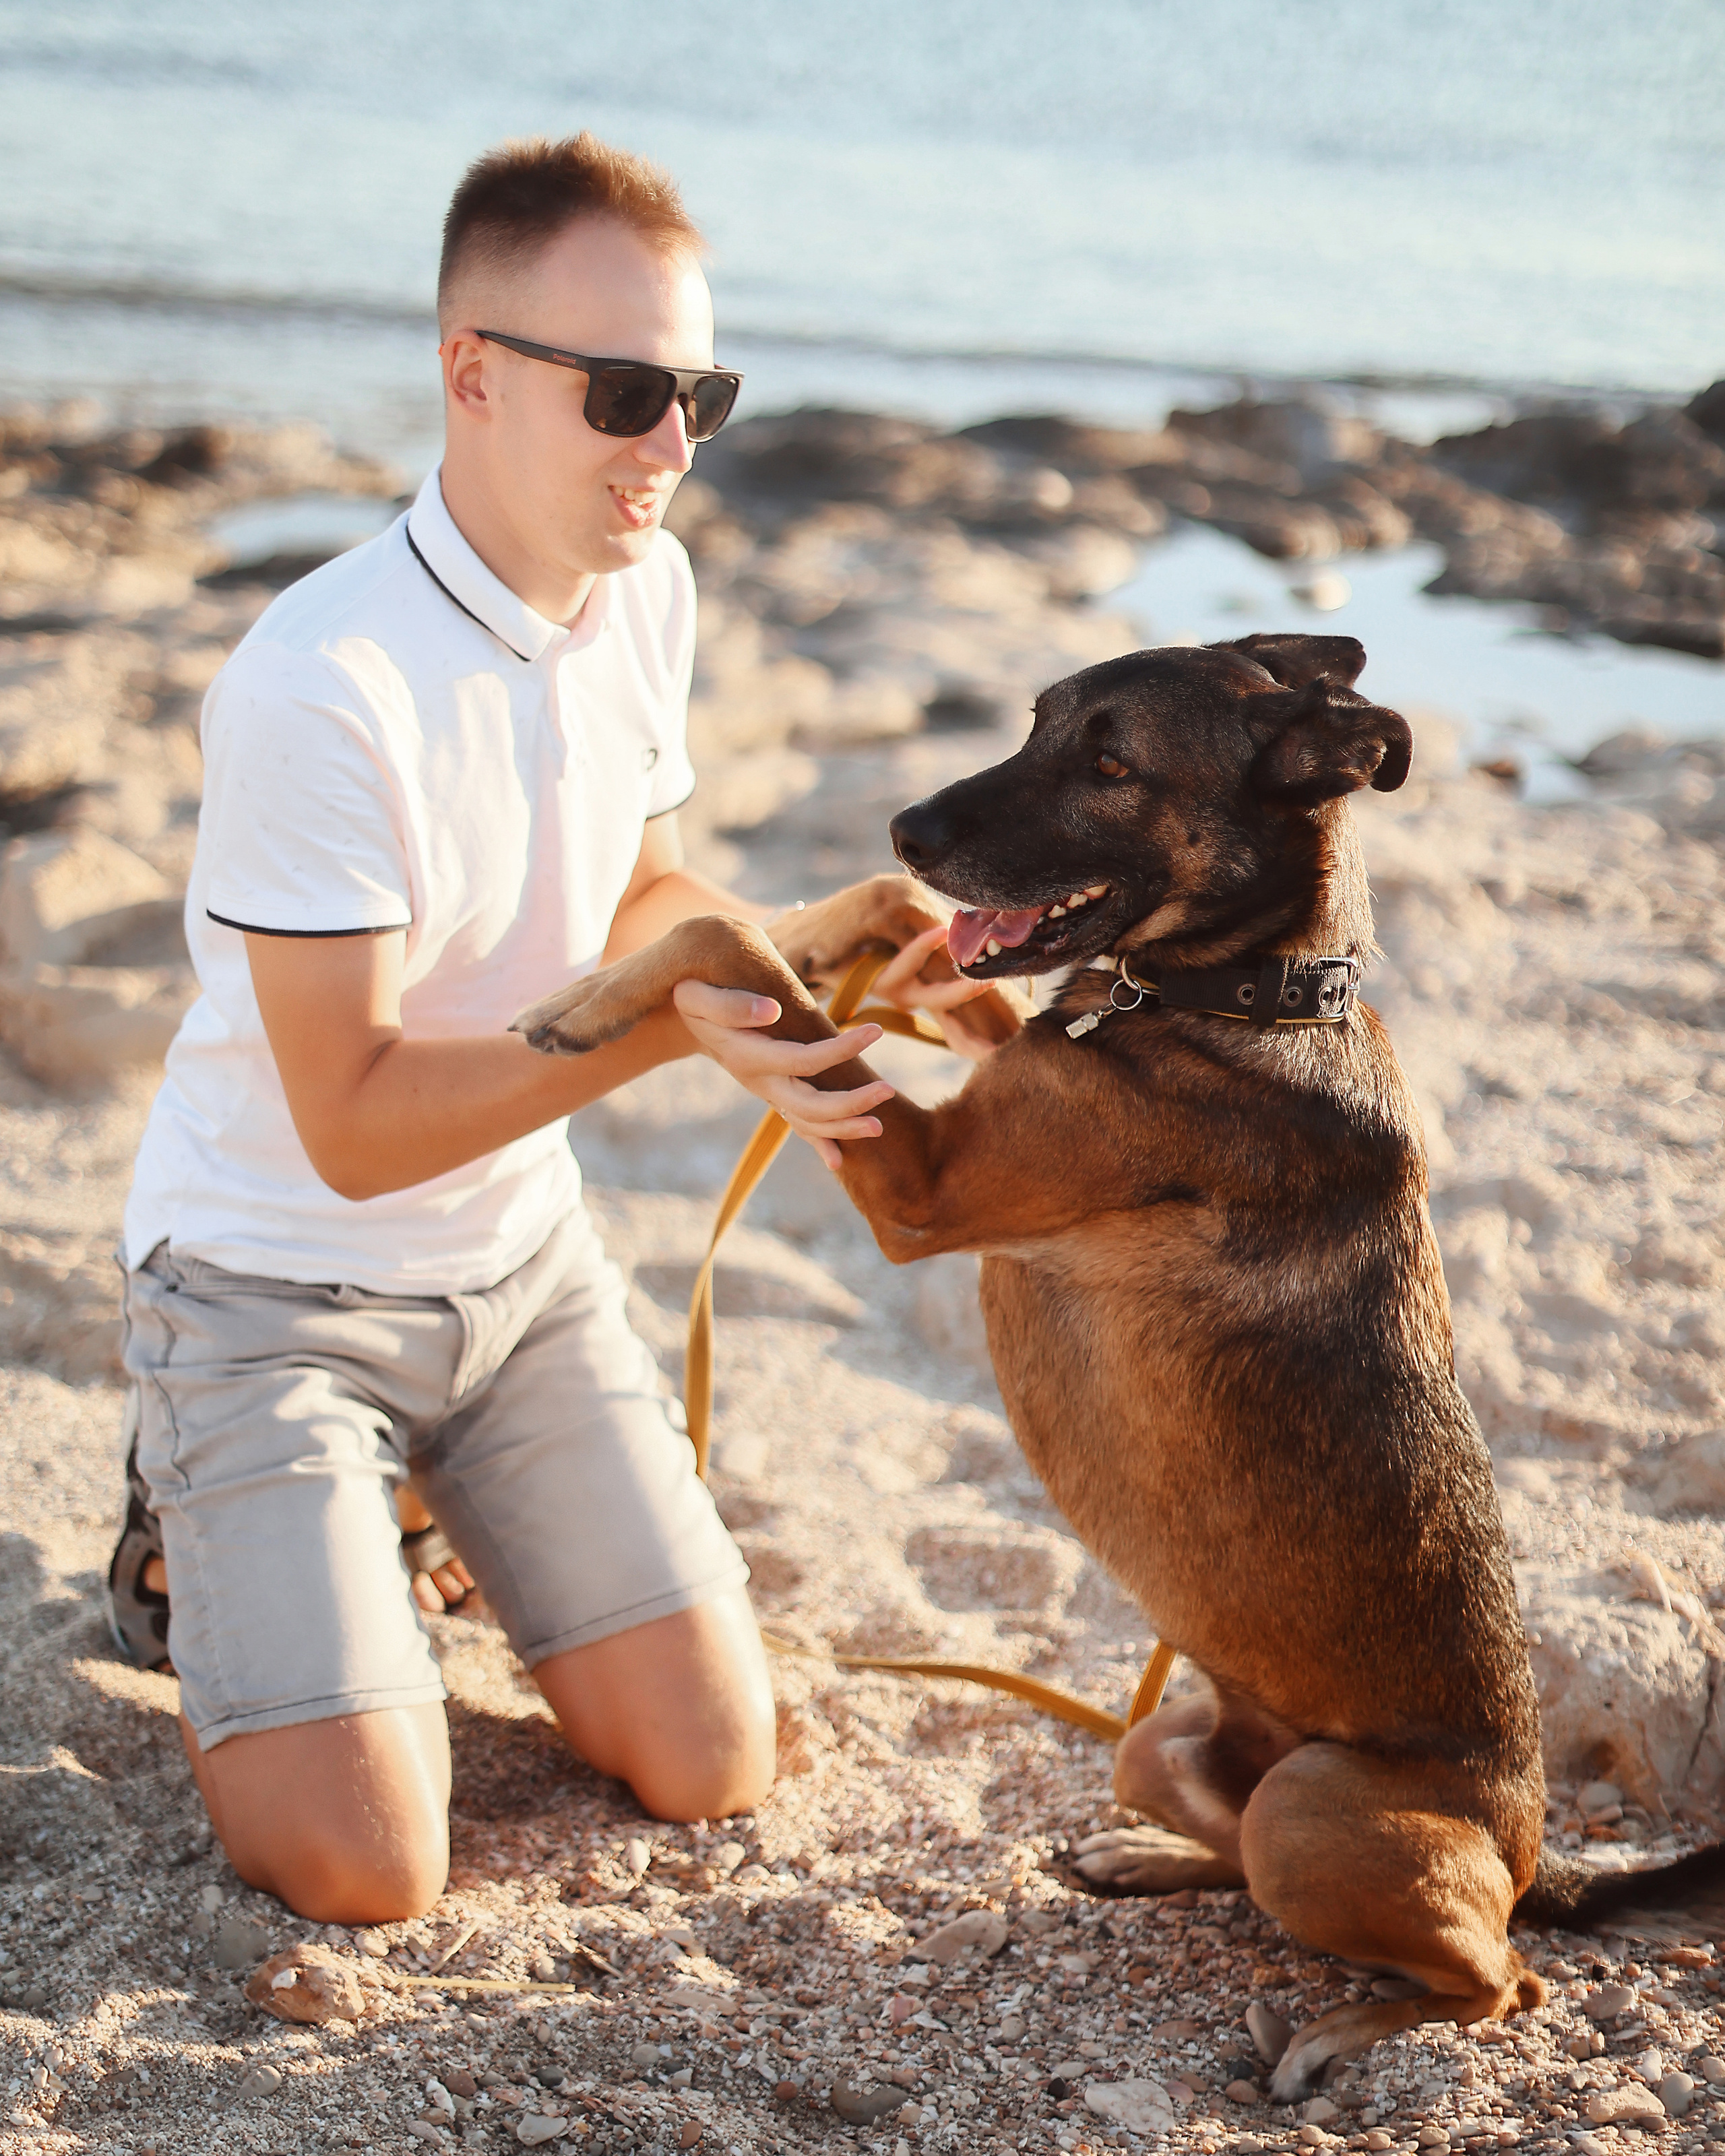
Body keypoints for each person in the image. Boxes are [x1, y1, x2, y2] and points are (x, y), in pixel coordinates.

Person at [106, 133, 979, 1924]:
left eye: (702, 397)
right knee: (367, 1870)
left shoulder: (638, 588)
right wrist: (665, 1029)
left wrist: (801, 951)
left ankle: (399, 1519)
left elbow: (636, 893)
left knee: (711, 1761)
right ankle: (188, 1529)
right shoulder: (316, 686)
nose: (671, 449)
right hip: (271, 1299)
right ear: (472, 372)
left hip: (520, 1280)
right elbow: (348, 1122)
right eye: (629, 395)